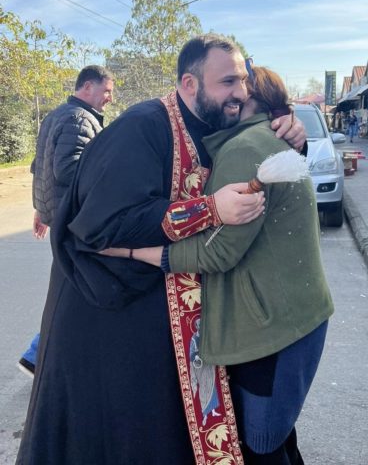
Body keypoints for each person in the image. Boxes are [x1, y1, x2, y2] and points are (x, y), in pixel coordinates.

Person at [16, 34, 307, 465]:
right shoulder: (142, 127)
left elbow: (263, 152)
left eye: (242, 80)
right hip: (111, 308)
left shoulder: (216, 118)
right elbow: (106, 225)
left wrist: (292, 131)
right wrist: (209, 209)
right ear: (189, 84)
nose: (240, 92)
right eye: (228, 82)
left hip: (175, 295)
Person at [102, 65, 334, 464]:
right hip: (291, 319)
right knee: (278, 438)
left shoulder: (244, 148)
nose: (232, 95)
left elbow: (217, 251)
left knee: (262, 446)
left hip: (269, 333)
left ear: (252, 99)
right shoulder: (266, 139)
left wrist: (132, 252)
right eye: (228, 83)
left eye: (238, 86)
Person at [18, 65, 114, 377]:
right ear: (87, 87)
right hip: (74, 223)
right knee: (77, 290)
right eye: (107, 91)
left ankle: (39, 354)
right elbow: (68, 170)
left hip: (60, 219)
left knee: (71, 289)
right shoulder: (80, 119)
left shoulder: (56, 115)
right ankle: (36, 354)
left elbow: (39, 166)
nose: (109, 98)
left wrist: (41, 210)